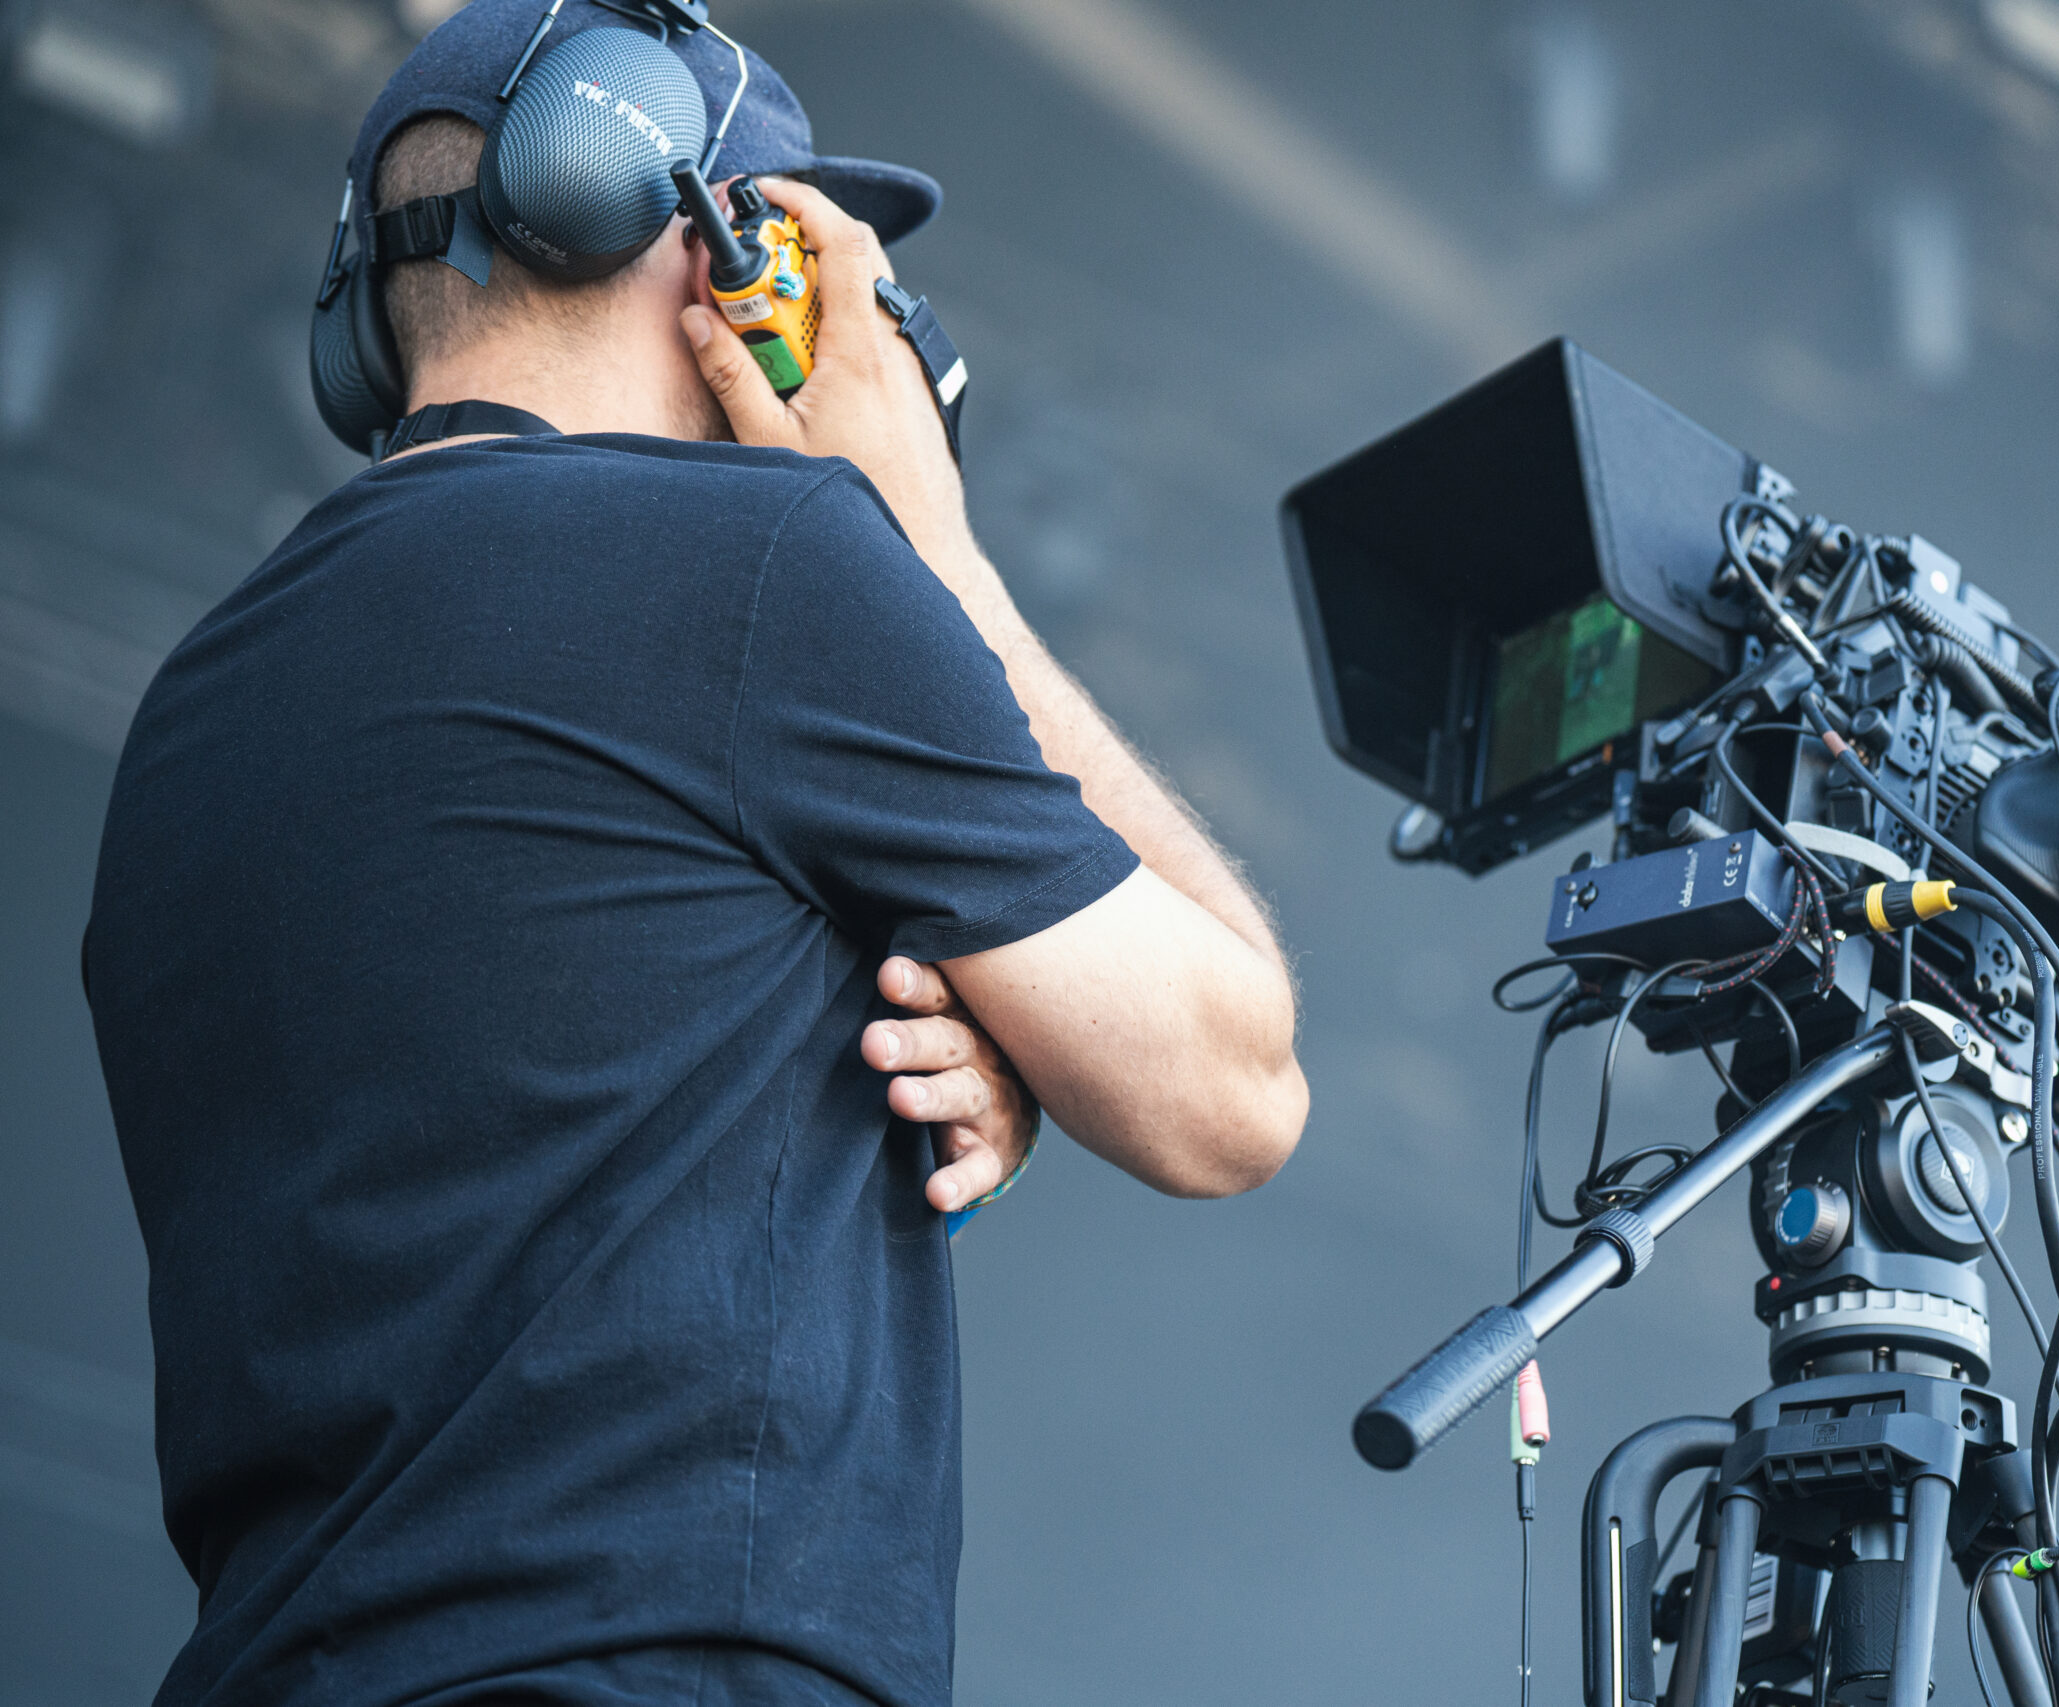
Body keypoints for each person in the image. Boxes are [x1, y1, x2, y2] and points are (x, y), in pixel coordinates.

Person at [81, 6, 1307, 1707]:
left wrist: (967, 1059)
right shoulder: (767, 567)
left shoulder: (194, 712)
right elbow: (1231, 1090)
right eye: (805, 250)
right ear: (705, 249)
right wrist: (933, 547)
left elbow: (567, 1078)